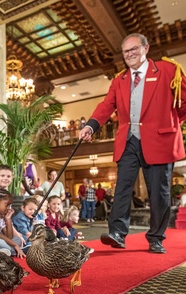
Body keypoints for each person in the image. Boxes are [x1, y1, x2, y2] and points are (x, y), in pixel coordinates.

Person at [79, 33, 186, 254]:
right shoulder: (120, 80)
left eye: (134, 49)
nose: (129, 54)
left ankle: (156, 237)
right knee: (122, 187)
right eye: (126, 51)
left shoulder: (168, 71)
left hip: (159, 140)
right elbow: (106, 106)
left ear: (146, 48)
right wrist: (91, 125)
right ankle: (118, 233)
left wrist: (169, 122)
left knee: (159, 192)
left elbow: (183, 102)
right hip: (129, 139)